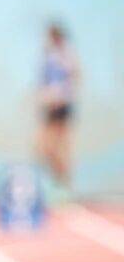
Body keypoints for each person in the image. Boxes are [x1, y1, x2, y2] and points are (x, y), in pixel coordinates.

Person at [37, 22, 80, 192]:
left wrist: (64, 96)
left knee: (62, 146)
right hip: (50, 105)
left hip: (62, 104)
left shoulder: (67, 54)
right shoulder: (48, 56)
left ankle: (65, 185)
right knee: (44, 147)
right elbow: (45, 82)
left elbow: (74, 77)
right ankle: (61, 179)